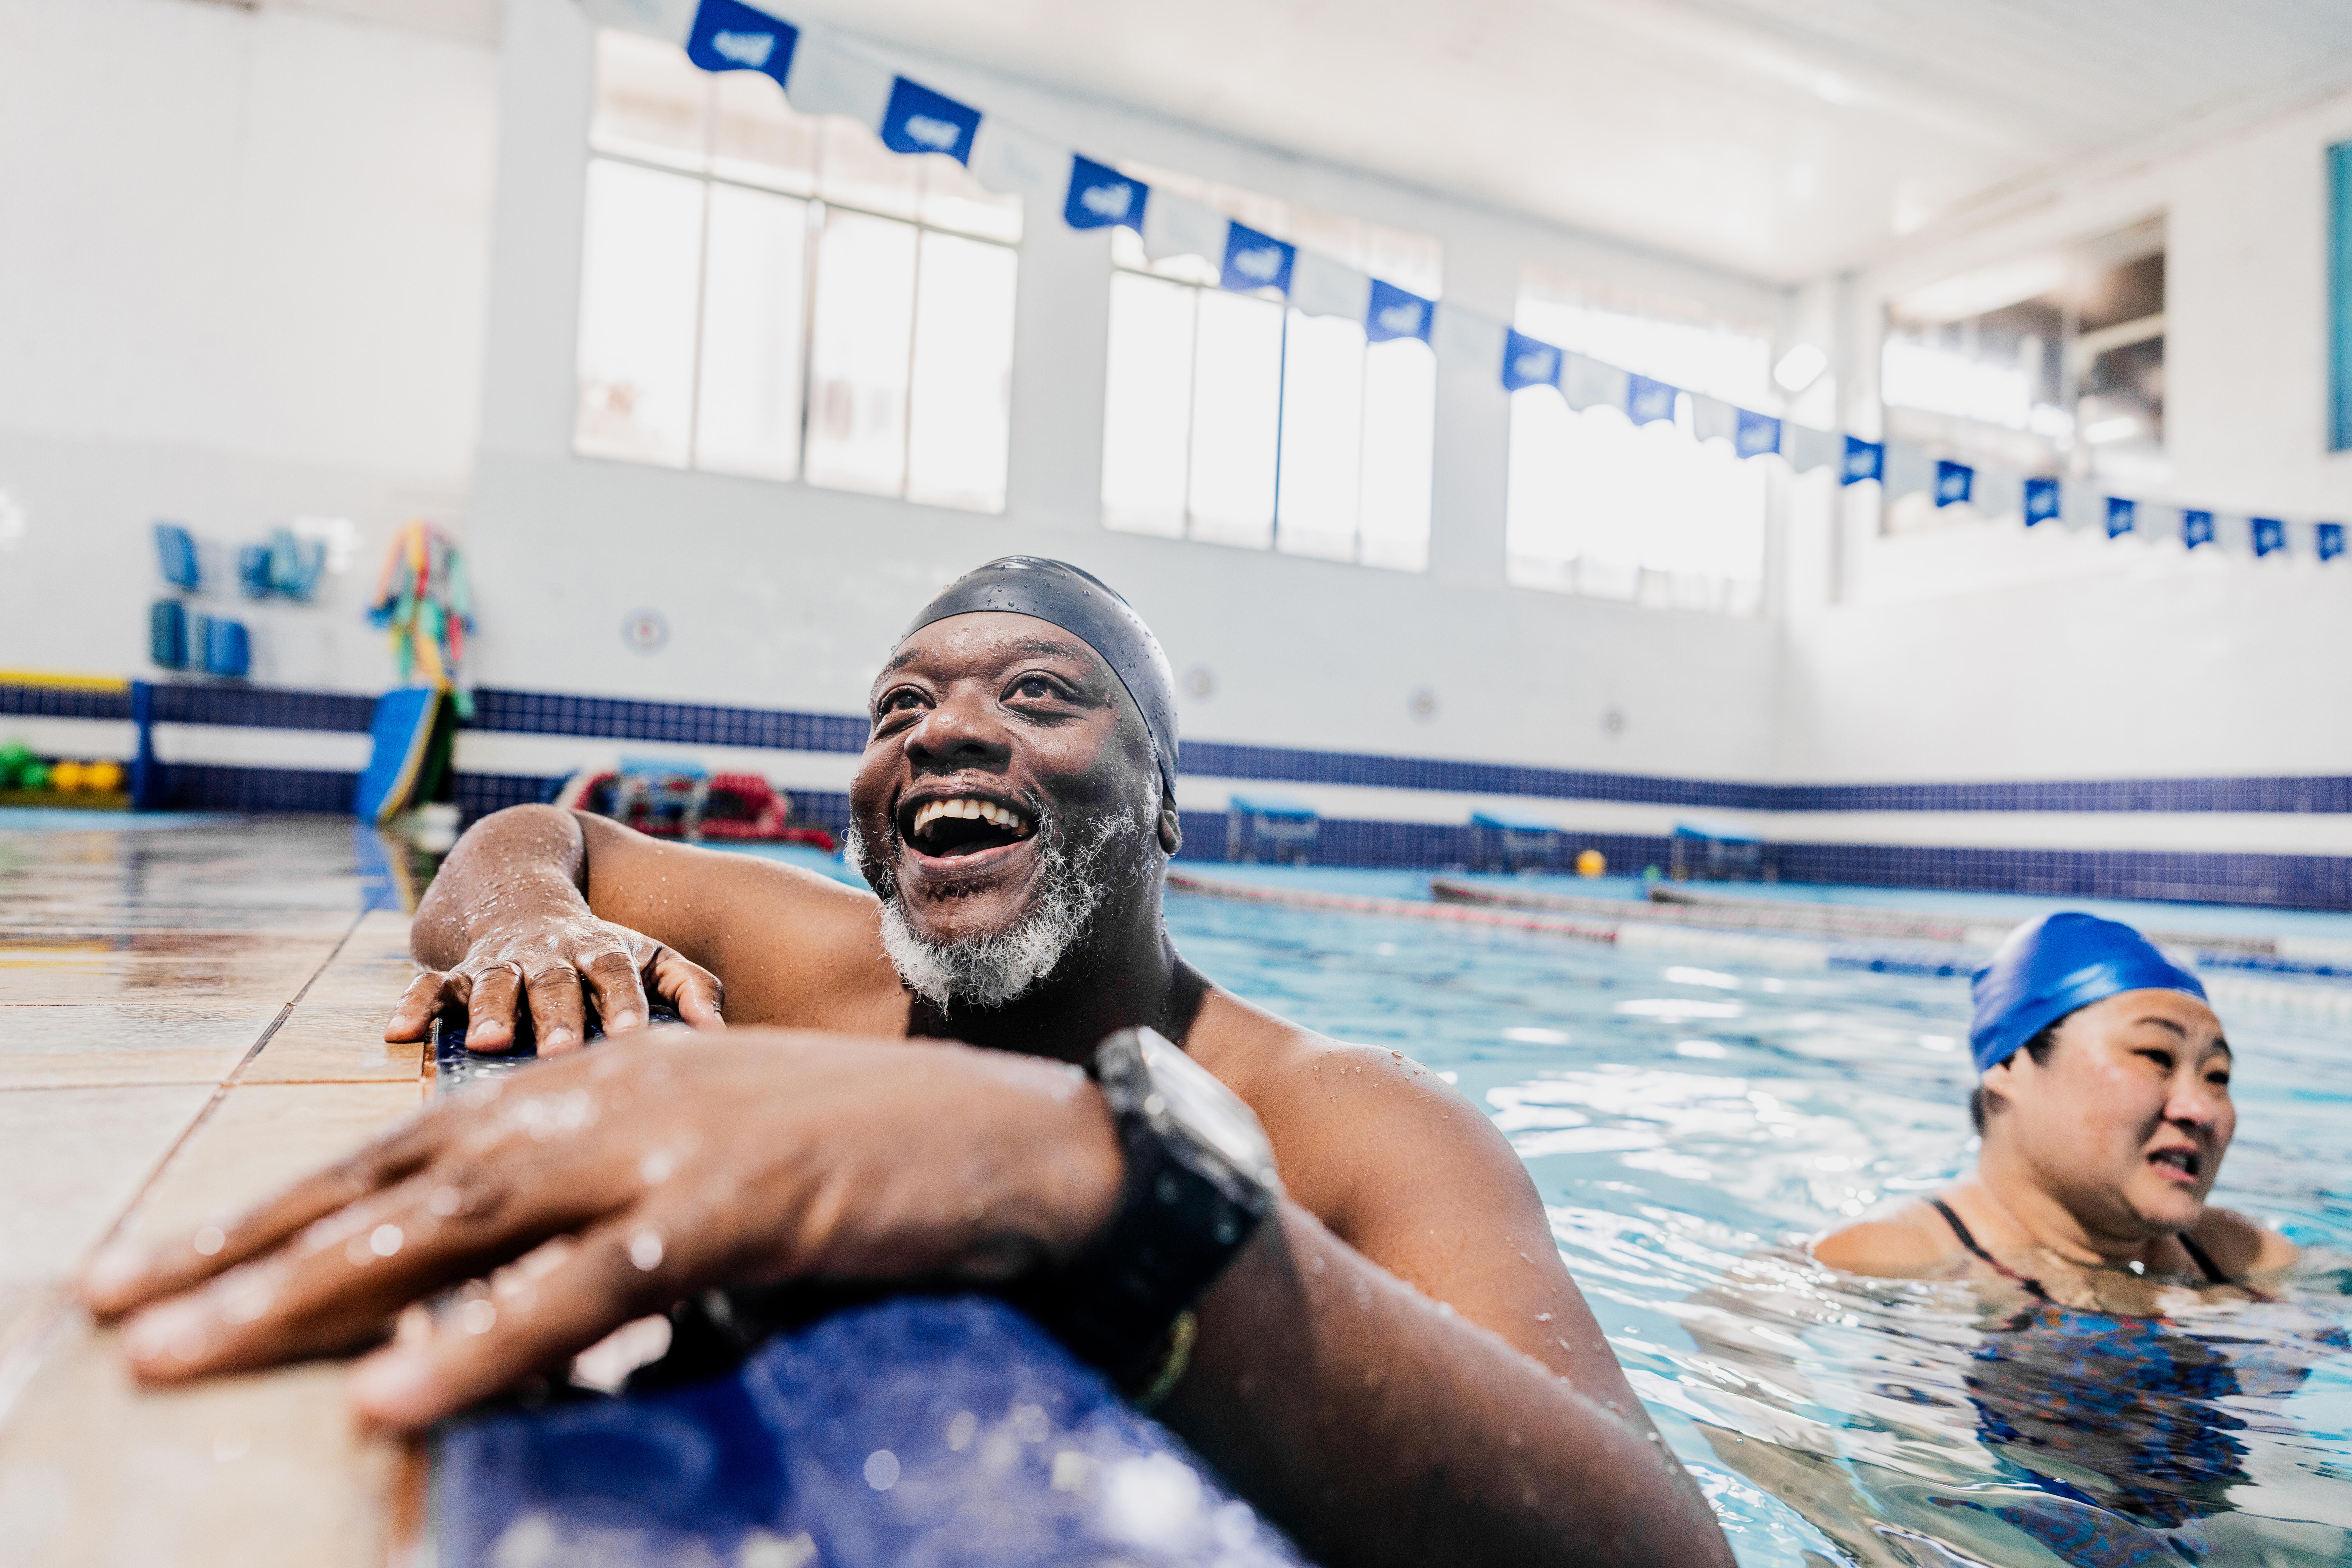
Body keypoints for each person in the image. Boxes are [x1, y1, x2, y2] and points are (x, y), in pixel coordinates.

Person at [81, 557, 1732, 1568]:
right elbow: (532, 834)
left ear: (1161, 805)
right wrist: (527, 923)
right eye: (896, 709)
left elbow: (1658, 1540)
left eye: (1036, 693)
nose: (941, 731)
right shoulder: (814, 956)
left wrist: (1102, 1184)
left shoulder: (1354, 1125)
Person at [1814, 911, 2297, 1305]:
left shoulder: (2252, 1261)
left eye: (2218, 1077)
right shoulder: (1874, 1264)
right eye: (2155, 1056)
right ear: (2010, 1066)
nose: (2200, 1109)